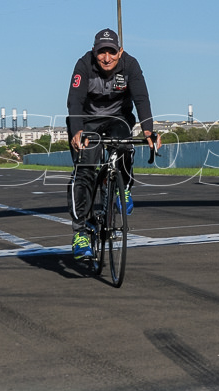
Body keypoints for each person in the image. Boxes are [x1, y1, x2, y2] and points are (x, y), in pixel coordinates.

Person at [66, 27, 160, 260]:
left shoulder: (130, 65)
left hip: (118, 118)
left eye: (111, 52)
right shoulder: (83, 65)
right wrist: (77, 130)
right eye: (101, 53)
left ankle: (123, 189)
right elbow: (75, 100)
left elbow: (141, 97)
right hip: (86, 121)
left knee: (125, 144)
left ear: (120, 51)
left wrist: (148, 129)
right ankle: (81, 234)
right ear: (94, 52)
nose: (106, 58)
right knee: (84, 173)